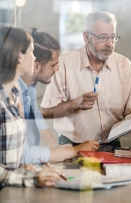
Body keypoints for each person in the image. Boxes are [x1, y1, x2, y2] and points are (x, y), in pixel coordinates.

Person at [40, 11, 131, 151]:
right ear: (86, 37)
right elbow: (45, 112)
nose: (109, 44)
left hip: (111, 146)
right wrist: (74, 104)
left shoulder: (125, 65)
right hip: (72, 146)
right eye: (102, 37)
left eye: (112, 37)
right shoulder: (64, 64)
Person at [19, 28, 100, 164]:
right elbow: (22, 154)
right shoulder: (11, 95)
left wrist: (54, 146)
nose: (57, 69)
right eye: (53, 65)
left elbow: (36, 117)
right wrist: (74, 150)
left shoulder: (29, 87)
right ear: (36, 66)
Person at [0, 26, 62, 188]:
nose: (35, 59)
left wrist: (21, 169)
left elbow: (8, 157)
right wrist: (31, 178)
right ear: (19, 57)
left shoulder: (14, 95)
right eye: (32, 51)